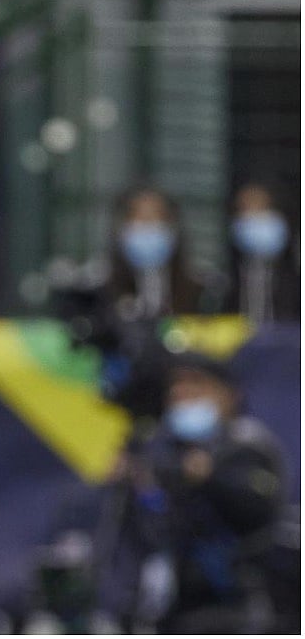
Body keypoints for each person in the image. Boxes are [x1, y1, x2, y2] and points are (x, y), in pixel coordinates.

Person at [120, 351, 288, 633]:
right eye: (175, 385)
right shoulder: (160, 451)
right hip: (171, 609)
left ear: (229, 395)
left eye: (195, 382)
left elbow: (255, 508)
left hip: (239, 606)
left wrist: (209, 476)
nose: (181, 392)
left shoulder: (247, 447)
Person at [104, 185, 218, 320]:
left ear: (173, 225)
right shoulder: (99, 286)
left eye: (155, 217)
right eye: (139, 218)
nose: (147, 227)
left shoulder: (204, 288)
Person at [225, 181, 300, 323]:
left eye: (258, 204)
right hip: (240, 337)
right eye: (246, 207)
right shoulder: (241, 223)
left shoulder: (275, 222)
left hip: (286, 338)